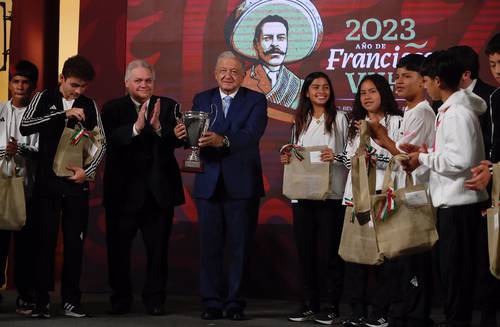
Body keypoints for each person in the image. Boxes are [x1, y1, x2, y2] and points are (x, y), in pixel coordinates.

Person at [174, 51, 267, 320]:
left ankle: (235, 301)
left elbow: (251, 136)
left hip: (242, 184)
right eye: (223, 71)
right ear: (215, 74)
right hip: (209, 183)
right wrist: (182, 135)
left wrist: (222, 141)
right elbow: (195, 138)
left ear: (243, 75)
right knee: (209, 246)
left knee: (240, 246)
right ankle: (211, 301)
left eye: (234, 71)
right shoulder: (202, 99)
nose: (228, 76)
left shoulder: (256, 100)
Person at [402, 50, 488, 327]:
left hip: (460, 208)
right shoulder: (451, 110)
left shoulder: (456, 114)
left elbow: (459, 160)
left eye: (425, 80)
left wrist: (423, 158)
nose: (424, 86)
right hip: (453, 205)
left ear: (437, 81)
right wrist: (427, 153)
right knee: (452, 277)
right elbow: (453, 154)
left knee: (456, 279)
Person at [20, 55, 106, 318]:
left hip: (75, 187)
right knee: (44, 244)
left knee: (74, 245)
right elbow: (26, 126)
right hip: (46, 185)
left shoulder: (90, 105)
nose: (78, 92)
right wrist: (62, 114)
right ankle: (41, 300)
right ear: (62, 79)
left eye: (83, 87)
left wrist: (87, 173)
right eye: (74, 85)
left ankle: (71, 300)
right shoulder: (43, 98)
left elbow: (101, 144)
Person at [101, 59, 185, 316]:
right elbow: (110, 141)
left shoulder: (169, 106)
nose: (143, 85)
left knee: (158, 252)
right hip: (122, 193)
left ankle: (155, 300)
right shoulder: (112, 108)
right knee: (118, 251)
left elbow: (180, 141)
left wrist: (159, 127)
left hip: (159, 193)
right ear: (127, 83)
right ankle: (120, 299)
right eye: (138, 80)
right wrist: (137, 127)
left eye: (148, 80)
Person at [368, 54, 435, 327]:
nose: (399, 81)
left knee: (414, 264)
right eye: (397, 76)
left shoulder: (422, 112)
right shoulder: (411, 111)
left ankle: (414, 316)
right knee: (403, 263)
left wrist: (382, 137)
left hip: (418, 196)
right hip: (407, 195)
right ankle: (405, 313)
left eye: (407, 76)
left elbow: (407, 160)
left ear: (424, 80)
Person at [279, 72, 348, 324]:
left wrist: (336, 156)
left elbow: (347, 154)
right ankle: (309, 303)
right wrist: (286, 155)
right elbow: (293, 150)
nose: (321, 91)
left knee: (330, 253)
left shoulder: (340, 118)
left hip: (331, 195)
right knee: (305, 252)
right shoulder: (299, 120)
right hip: (302, 194)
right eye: (315, 87)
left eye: (325, 87)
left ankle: (331, 305)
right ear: (306, 91)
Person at [337, 74, 403, 327]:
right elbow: (346, 159)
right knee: (356, 257)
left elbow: (400, 157)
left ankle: (381, 310)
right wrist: (354, 158)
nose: (367, 96)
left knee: (384, 259)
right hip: (356, 198)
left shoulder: (397, 122)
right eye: (363, 92)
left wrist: (377, 159)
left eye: (372, 91)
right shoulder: (357, 124)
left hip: (385, 198)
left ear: (384, 93)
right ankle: (357, 311)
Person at [0, 60, 39, 314]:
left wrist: (22, 149)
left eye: (25, 82)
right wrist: (6, 151)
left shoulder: (37, 117)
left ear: (32, 87)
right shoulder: (1, 110)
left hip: (28, 190)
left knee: (26, 248)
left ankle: (26, 295)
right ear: (10, 84)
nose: (20, 86)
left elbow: (43, 153)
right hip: (1, 188)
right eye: (16, 81)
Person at [242, 15, 302, 108]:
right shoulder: (243, 81)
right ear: (256, 44)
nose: (275, 44)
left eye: (281, 38)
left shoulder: (300, 85)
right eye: (267, 38)